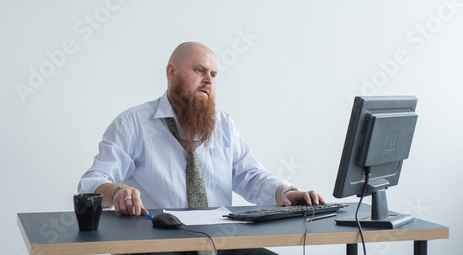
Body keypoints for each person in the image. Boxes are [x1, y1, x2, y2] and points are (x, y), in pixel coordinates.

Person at [78, 42, 325, 255]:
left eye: (214, 74)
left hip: (219, 241)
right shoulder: (132, 124)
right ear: (171, 72)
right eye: (199, 70)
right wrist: (118, 191)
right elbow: (91, 183)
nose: (208, 80)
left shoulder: (223, 124)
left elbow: (250, 176)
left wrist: (284, 192)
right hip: (158, 243)